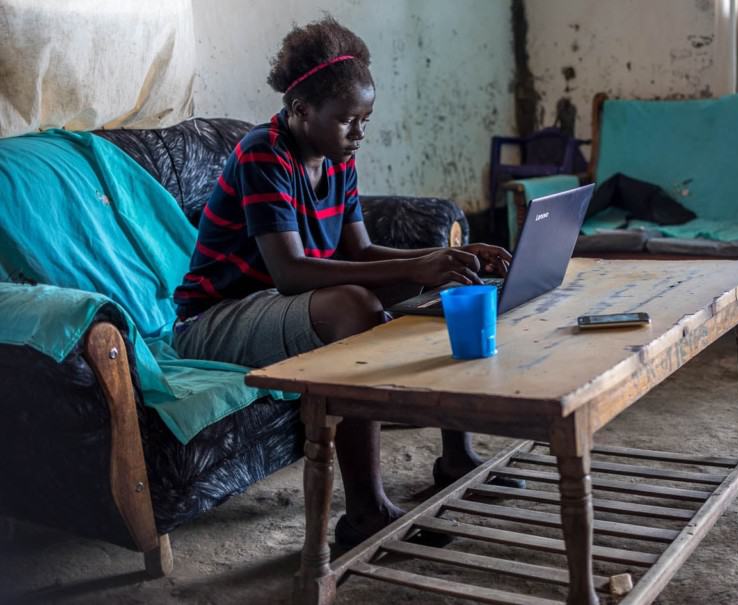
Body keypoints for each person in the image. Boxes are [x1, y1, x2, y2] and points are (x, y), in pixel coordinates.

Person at [171, 16, 514, 547]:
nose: (360, 134)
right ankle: (366, 513)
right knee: (354, 306)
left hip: (283, 304)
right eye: (348, 120)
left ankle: (456, 456)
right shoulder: (264, 154)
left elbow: (360, 250)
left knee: (450, 280)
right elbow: (290, 272)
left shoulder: (336, 159)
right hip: (214, 319)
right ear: (300, 111)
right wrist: (413, 266)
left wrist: (448, 256)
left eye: (365, 119)